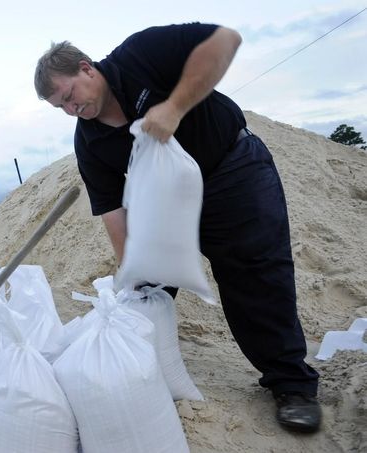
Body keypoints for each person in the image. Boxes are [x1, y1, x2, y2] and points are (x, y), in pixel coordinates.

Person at [34, 23, 321, 433]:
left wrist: (175, 107)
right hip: (165, 200)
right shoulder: (90, 142)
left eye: (69, 96)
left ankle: (292, 384)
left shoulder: (141, 54)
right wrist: (132, 271)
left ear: (86, 69)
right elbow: (113, 210)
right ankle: (141, 370)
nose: (70, 110)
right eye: (59, 107)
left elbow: (225, 41)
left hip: (230, 169)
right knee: (143, 288)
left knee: (253, 274)